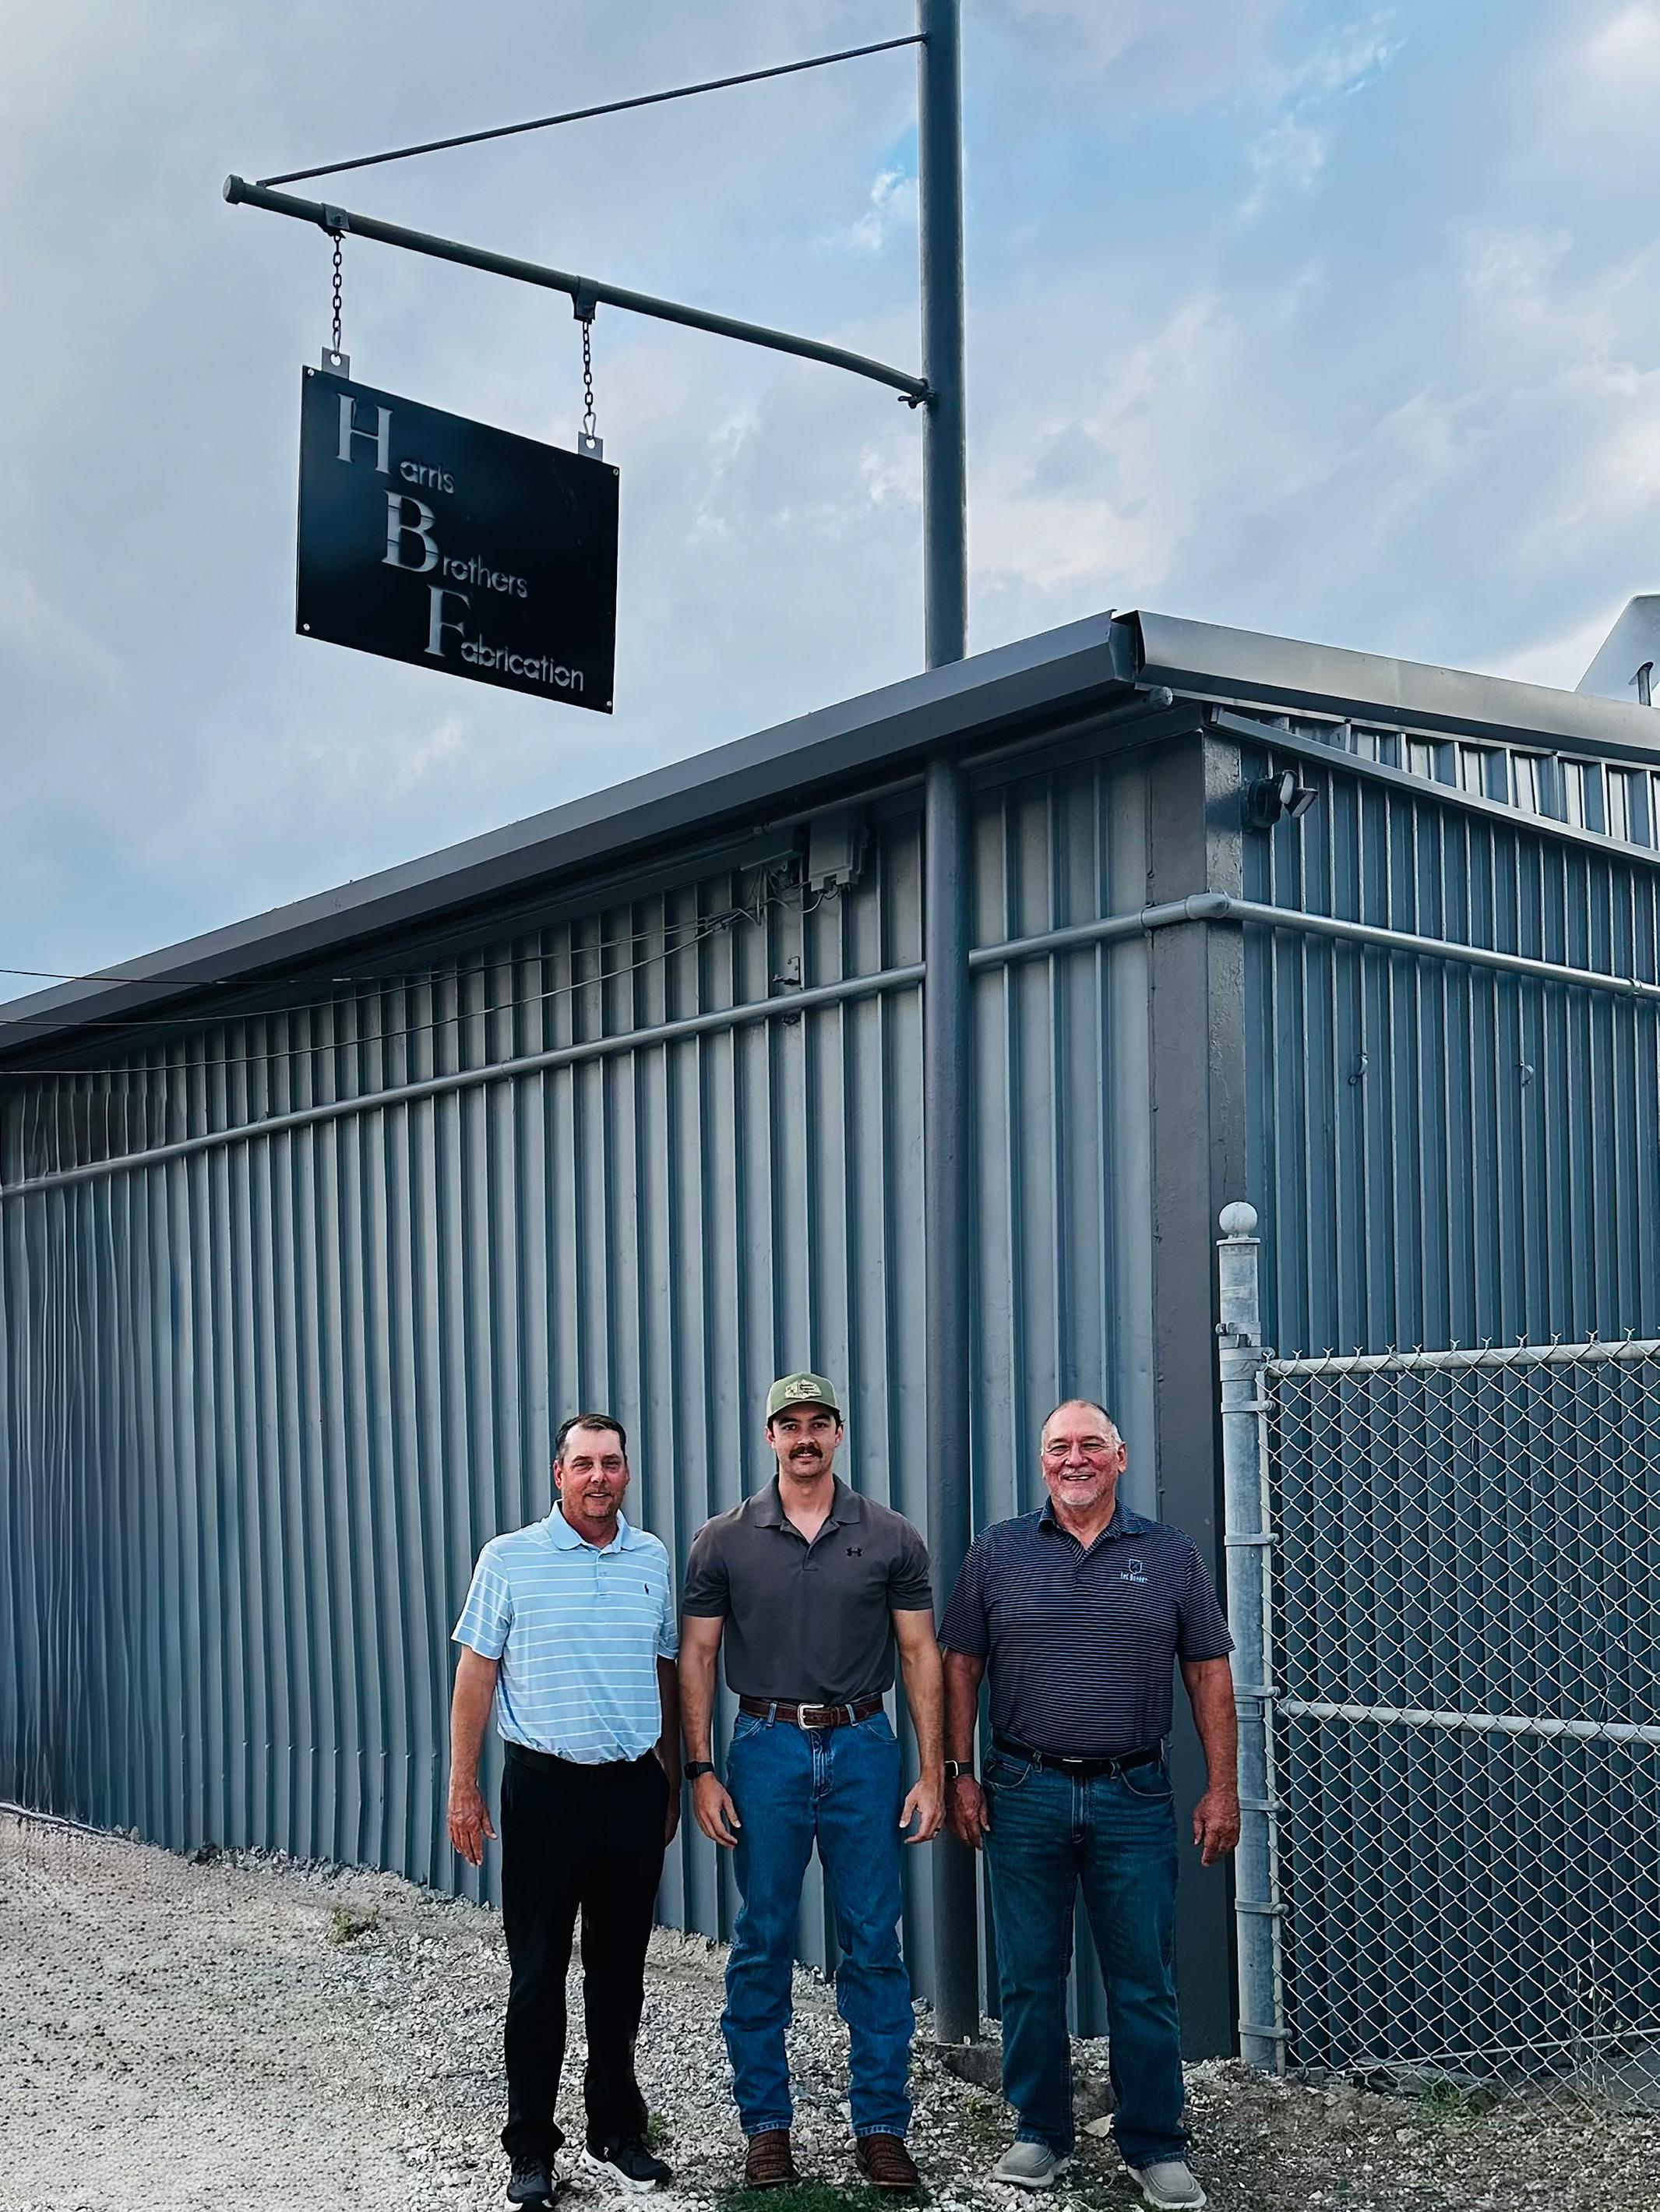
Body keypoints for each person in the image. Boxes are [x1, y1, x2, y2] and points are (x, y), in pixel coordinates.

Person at [939, 1400, 1239, 2212]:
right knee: (1030, 1974)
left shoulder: (1169, 1555)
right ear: (1042, 1461)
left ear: (1120, 1456)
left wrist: (1222, 1786)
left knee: (1143, 1979)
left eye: (1090, 1445)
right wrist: (958, 1772)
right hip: (1022, 1789)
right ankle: (1040, 2129)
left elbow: (1207, 1671)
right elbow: (960, 1664)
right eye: (1059, 1447)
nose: (1074, 1459)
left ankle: (1153, 2140)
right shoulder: (997, 1551)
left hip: (1132, 1792)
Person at [678, 1372, 945, 2192]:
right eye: (789, 1424)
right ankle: (766, 2128)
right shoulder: (723, 1540)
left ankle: (881, 2128)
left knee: (873, 1940)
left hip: (864, 1745)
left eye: (817, 1422)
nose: (804, 1437)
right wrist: (700, 1768)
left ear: (837, 1434)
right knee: (762, 1937)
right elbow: (697, 1656)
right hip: (766, 1748)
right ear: (769, 1437)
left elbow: (919, 1653)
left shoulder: (891, 1535)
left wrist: (932, 1771)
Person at [449, 1413, 681, 2207]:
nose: (598, 1477)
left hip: (631, 1790)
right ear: (558, 1474)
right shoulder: (508, 1558)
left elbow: (664, 1669)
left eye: (611, 1463)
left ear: (627, 1472)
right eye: (583, 1463)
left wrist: (671, 1779)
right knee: (538, 1973)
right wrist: (463, 1785)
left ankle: (614, 2131)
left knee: (619, 1975)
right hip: (544, 1792)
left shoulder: (650, 1558)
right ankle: (530, 2148)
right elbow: (476, 1672)